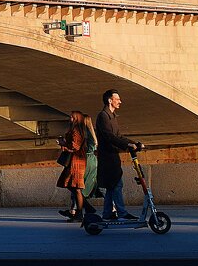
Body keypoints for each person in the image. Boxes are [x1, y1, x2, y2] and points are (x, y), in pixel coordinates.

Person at [96, 89, 142, 221]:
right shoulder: (103, 116)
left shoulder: (112, 116)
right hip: (107, 156)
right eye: (117, 99)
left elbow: (119, 136)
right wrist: (126, 146)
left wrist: (135, 143)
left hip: (112, 155)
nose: (120, 101)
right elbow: (109, 136)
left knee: (112, 185)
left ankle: (107, 214)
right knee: (116, 184)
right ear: (110, 100)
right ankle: (121, 213)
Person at [55, 111, 97, 221]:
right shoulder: (79, 129)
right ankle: (85, 207)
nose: (70, 119)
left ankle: (79, 212)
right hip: (77, 160)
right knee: (71, 185)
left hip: (76, 161)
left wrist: (63, 144)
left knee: (76, 187)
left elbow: (75, 146)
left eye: (72, 117)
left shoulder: (77, 130)